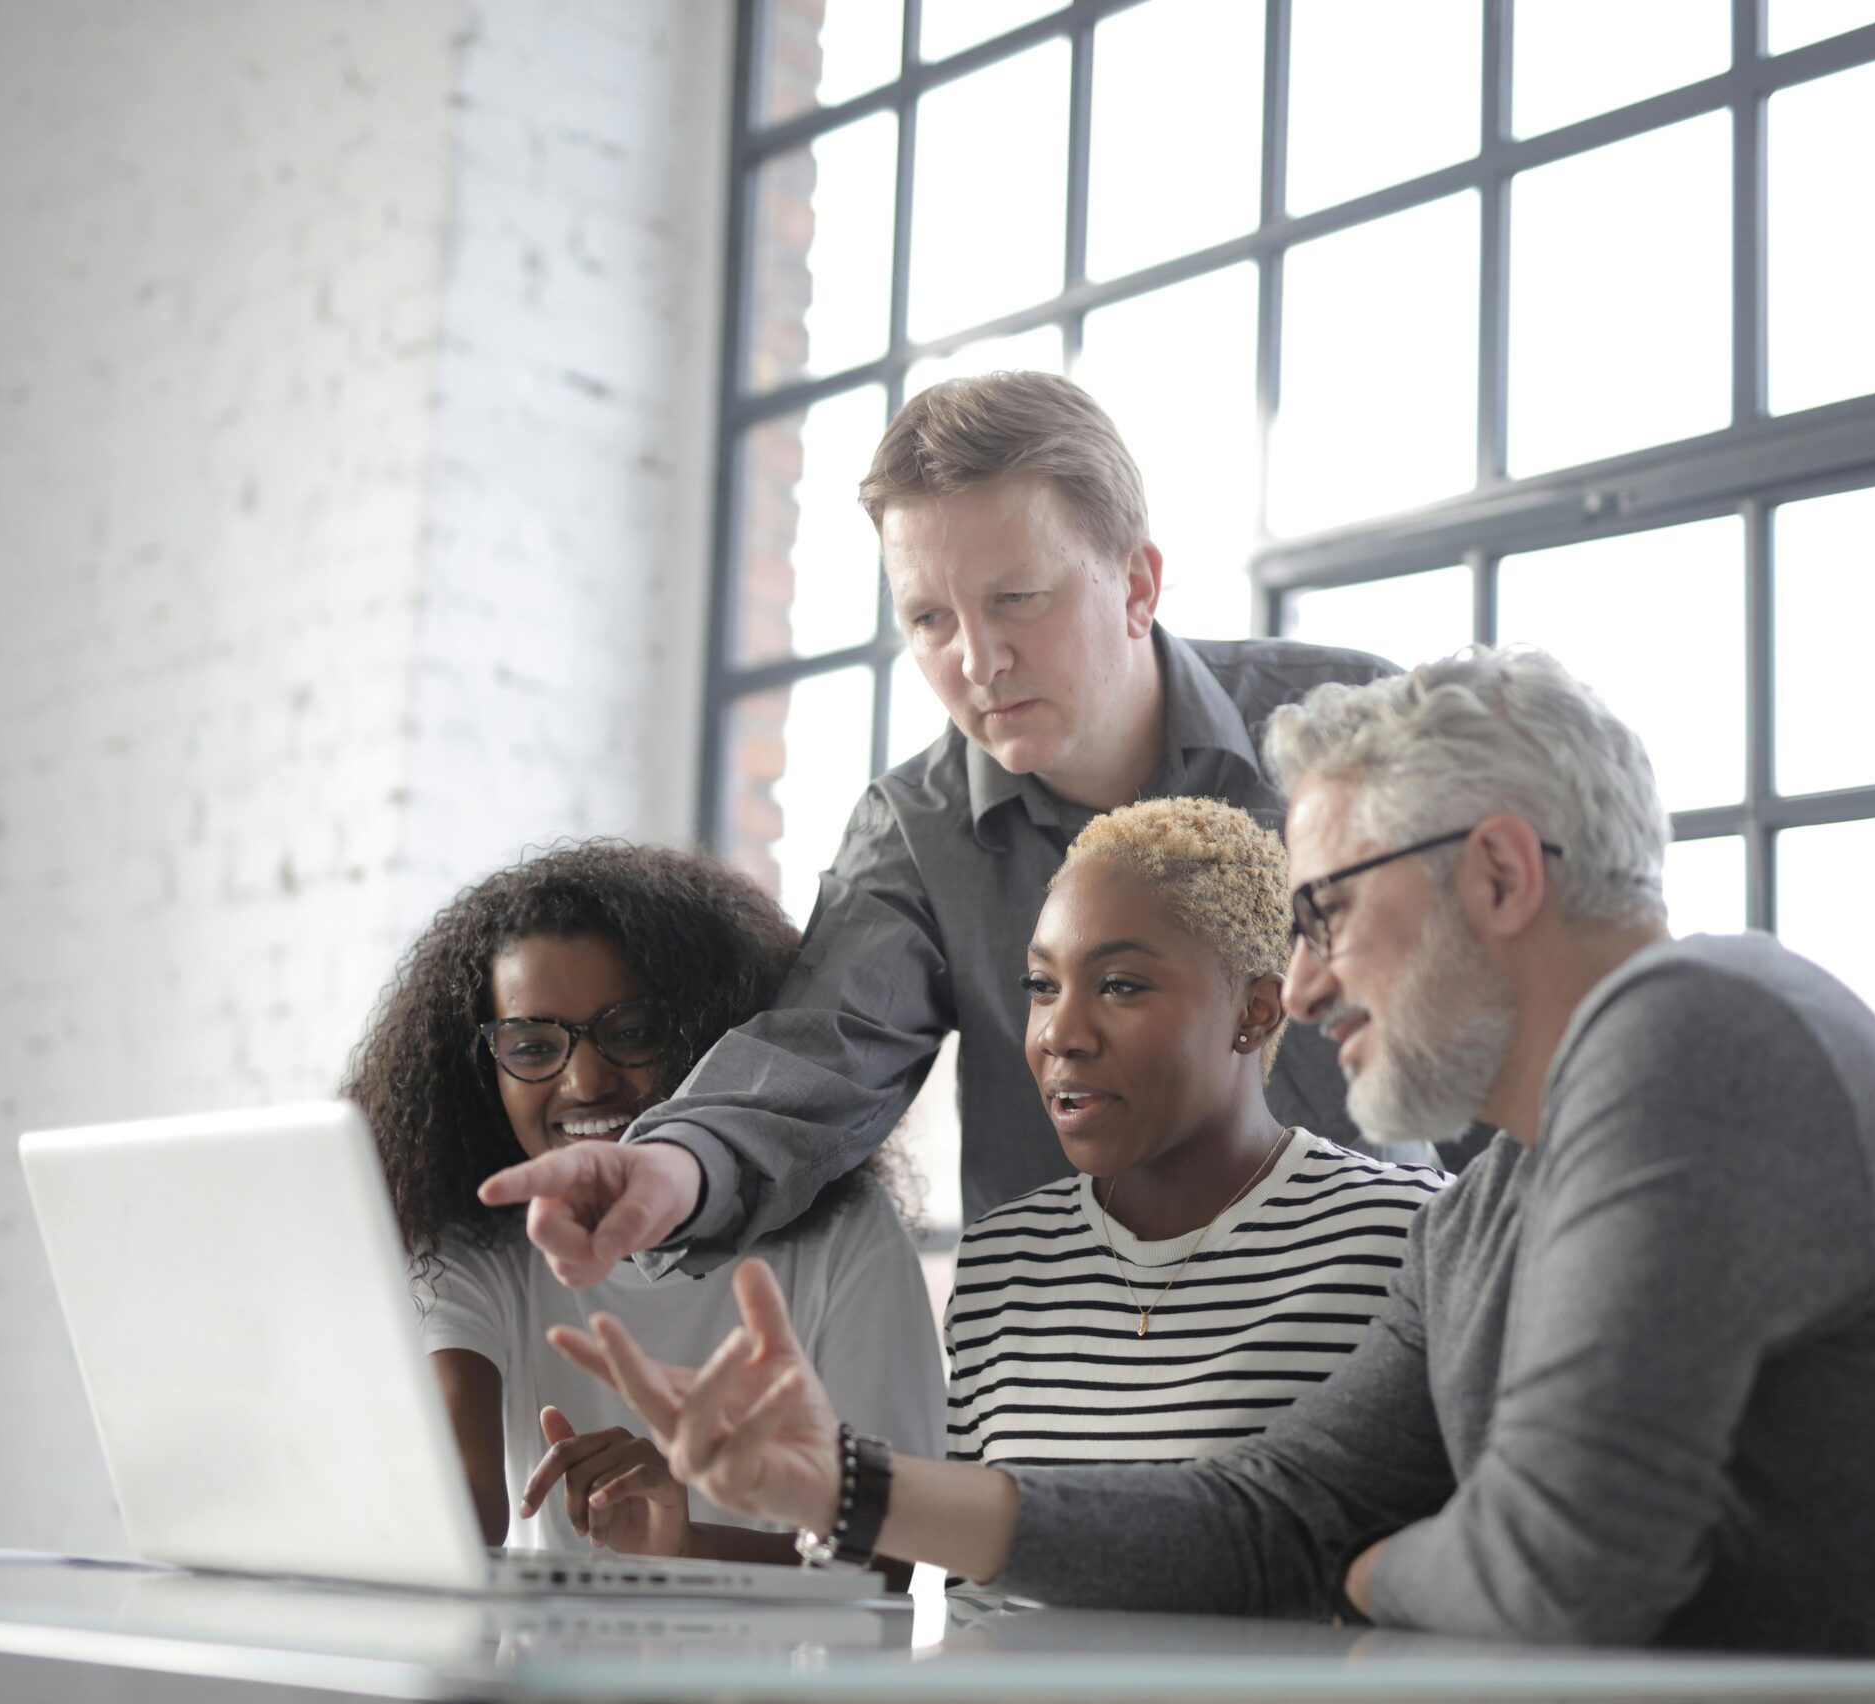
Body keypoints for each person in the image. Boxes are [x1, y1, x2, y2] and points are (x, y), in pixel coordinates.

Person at [544, 652, 1875, 1704]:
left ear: (1505, 872)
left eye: (1324, 913)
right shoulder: (1489, 1205)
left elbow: (1550, 1578)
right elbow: (1272, 1519)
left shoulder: (1700, 1030)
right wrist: (846, 1484)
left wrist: (1374, 1567)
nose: (1300, 982)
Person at [480, 373, 1403, 1291]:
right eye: (930, 618)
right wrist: (673, 1164)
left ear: (1136, 583)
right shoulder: (915, 832)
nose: (978, 661)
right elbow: (824, 1047)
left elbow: (1503, 999)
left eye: (1017, 600)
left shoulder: (1355, 724)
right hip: (1087, 1365)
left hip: (1384, 1318)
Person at [340, 840, 944, 1574]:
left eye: (631, 1033)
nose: (586, 1080)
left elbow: (888, 1556)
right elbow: (459, 1505)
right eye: (532, 1046)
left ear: (711, 1033)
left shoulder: (847, 1236)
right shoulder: (477, 1239)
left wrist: (686, 1544)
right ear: (483, 1071)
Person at [948, 796, 1438, 1472]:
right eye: (1042, 984)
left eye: (1119, 985)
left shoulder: (1407, 1237)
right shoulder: (1000, 1265)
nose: (1060, 1033)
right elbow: (978, 1578)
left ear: (1256, 1010)